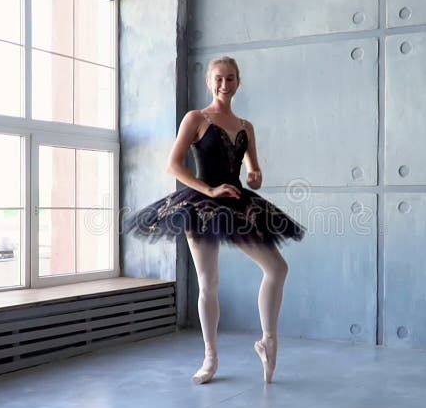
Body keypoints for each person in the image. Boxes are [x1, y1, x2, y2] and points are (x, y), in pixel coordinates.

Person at [123, 56, 305, 384]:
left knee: (278, 268)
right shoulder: (196, 118)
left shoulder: (246, 127)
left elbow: (253, 171)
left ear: (238, 81)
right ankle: (210, 357)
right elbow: (174, 166)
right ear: (209, 81)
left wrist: (255, 174)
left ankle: (268, 341)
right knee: (209, 282)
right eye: (219, 79)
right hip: (201, 205)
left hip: (238, 204)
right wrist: (208, 188)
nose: (225, 85)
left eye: (231, 79)